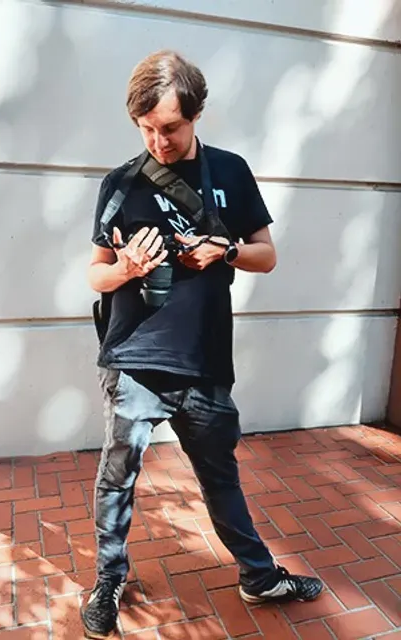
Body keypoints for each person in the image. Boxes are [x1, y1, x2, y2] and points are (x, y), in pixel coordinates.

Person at [80, 49, 324, 638]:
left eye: (170, 127)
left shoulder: (231, 172)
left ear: (195, 115)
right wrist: (127, 269)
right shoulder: (120, 184)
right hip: (135, 359)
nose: (158, 142)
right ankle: (108, 580)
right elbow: (95, 274)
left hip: (205, 360)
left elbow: (266, 255)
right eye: (145, 129)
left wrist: (225, 250)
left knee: (220, 478)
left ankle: (258, 578)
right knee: (118, 476)